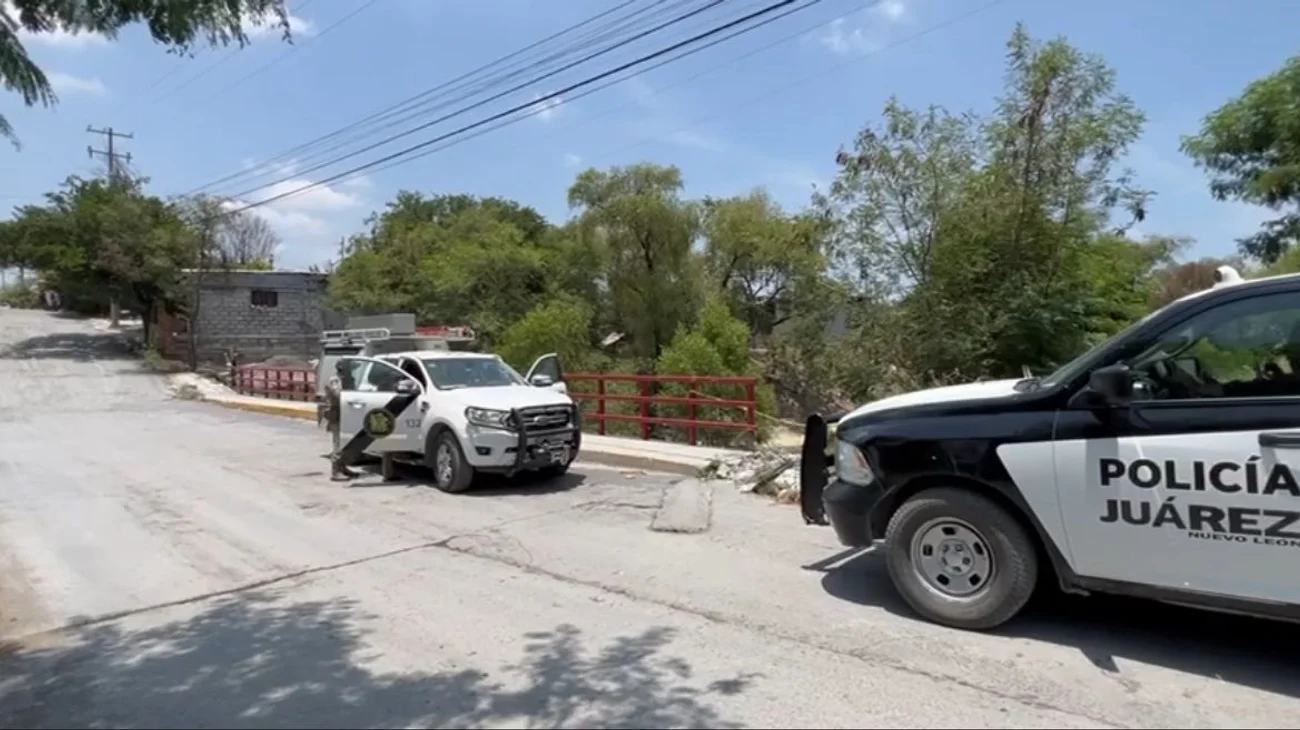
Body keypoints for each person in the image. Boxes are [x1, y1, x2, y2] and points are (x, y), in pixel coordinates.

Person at [325, 361, 360, 481]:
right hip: (337, 414)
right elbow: (338, 394)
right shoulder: (335, 380)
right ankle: (335, 472)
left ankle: (343, 468)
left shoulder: (347, 379)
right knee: (339, 444)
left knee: (347, 444)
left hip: (346, 413)